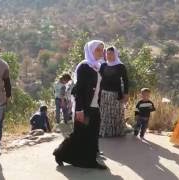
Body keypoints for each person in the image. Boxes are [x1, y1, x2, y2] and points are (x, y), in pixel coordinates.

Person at [53, 40, 107, 169]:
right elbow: (79, 90)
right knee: (80, 134)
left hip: (95, 106)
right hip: (85, 106)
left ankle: (90, 160)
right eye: (98, 50)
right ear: (90, 51)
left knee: (93, 133)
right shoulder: (84, 66)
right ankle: (60, 153)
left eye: (102, 49)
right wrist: (79, 110)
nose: (101, 52)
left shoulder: (98, 66)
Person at [99, 46, 129, 137]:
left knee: (115, 113)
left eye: (111, 54)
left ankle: (117, 132)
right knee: (104, 113)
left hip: (116, 94)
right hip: (104, 93)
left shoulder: (120, 66)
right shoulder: (103, 65)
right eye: (107, 54)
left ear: (115, 54)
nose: (109, 55)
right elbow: (99, 78)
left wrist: (126, 94)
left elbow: (126, 80)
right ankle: (104, 132)